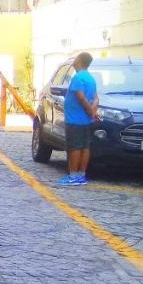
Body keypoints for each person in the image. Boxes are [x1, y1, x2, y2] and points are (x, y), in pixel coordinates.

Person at [57, 51, 100, 187]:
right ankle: (81, 175)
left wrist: (89, 110)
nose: (74, 61)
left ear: (80, 61)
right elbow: (96, 98)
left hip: (75, 119)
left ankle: (73, 176)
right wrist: (92, 110)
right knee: (85, 147)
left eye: (76, 58)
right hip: (86, 121)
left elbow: (80, 97)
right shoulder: (91, 78)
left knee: (74, 148)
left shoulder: (78, 78)